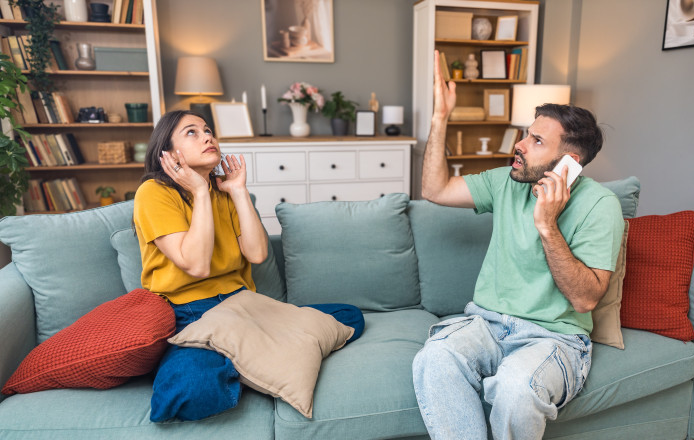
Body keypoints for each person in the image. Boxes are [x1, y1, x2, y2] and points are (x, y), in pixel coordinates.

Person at [412, 51, 625, 440]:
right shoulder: (507, 182)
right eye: (527, 133)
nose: (520, 144)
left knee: (515, 387)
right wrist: (440, 117)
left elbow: (585, 300)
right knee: (435, 359)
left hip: (554, 339)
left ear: (568, 163)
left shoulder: (600, 206)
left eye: (536, 140)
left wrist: (547, 226)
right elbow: (434, 189)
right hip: (487, 325)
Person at [133, 110, 364, 422]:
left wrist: (239, 190)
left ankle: (250, 361)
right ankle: (260, 362)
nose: (207, 136)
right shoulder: (154, 193)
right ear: (169, 152)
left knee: (349, 316)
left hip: (244, 307)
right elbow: (197, 265)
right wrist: (200, 192)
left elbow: (256, 254)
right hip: (191, 315)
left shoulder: (224, 192)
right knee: (191, 393)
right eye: (192, 132)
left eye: (207, 129)